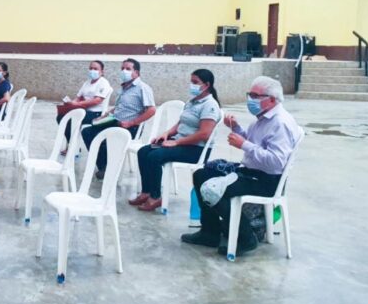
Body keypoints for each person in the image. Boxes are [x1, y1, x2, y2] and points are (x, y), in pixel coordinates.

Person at [181, 75, 302, 256]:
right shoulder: (262, 117)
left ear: (271, 99)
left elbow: (276, 161)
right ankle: (210, 232)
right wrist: (236, 128)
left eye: (255, 96)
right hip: (251, 172)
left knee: (214, 189)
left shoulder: (280, 123)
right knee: (201, 175)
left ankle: (246, 237)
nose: (250, 100)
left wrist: (243, 145)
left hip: (267, 180)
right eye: (250, 94)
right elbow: (254, 142)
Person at [130, 69, 221, 212]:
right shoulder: (191, 102)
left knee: (155, 156)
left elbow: (204, 134)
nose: (192, 85)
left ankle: (156, 197)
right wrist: (166, 134)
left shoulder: (210, 105)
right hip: (181, 143)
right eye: (191, 82)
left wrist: (176, 142)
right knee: (143, 151)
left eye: (195, 82)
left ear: (207, 85)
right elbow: (180, 124)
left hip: (196, 149)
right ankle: (146, 192)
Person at [81, 58, 156, 179]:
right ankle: (104, 166)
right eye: (122, 68)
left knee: (104, 138)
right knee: (87, 132)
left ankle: (109, 167)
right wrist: (106, 115)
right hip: (115, 121)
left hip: (130, 127)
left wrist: (131, 123)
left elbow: (151, 110)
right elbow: (120, 107)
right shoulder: (124, 87)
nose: (124, 71)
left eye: (128, 69)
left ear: (136, 72)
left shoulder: (143, 88)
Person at [55, 60, 112, 151]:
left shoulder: (103, 83)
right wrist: (71, 103)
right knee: (61, 117)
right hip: (83, 110)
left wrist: (77, 104)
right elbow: (78, 97)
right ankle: (72, 144)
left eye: (95, 69)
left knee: (71, 119)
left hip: (95, 113)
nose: (92, 71)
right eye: (91, 68)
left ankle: (73, 147)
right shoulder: (87, 82)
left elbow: (97, 100)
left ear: (102, 71)